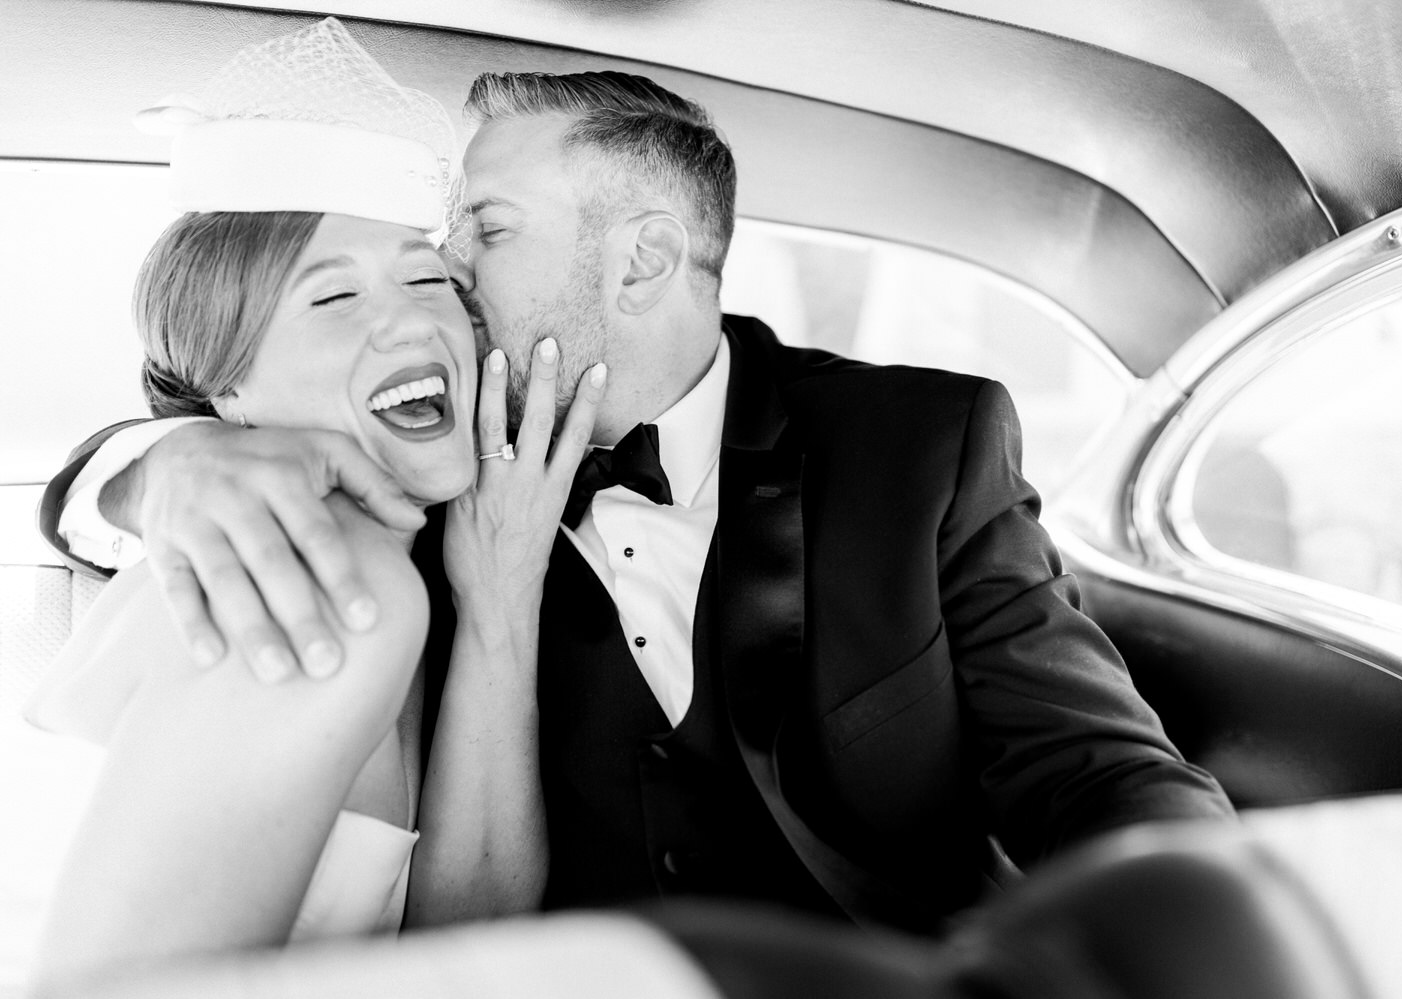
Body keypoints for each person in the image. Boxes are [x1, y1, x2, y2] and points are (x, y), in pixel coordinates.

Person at [42, 65, 1234, 934]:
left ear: (643, 262)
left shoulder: (915, 444)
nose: (444, 275)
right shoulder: (427, 466)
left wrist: (1206, 937)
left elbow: (1097, 774)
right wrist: (153, 464)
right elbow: (227, 437)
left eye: (478, 233)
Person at [24, 20, 605, 992]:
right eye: (331, 302)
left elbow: (469, 937)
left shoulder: (409, 577)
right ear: (224, 392)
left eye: (428, 281)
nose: (413, 318)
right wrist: (152, 465)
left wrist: (504, 588)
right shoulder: (307, 569)